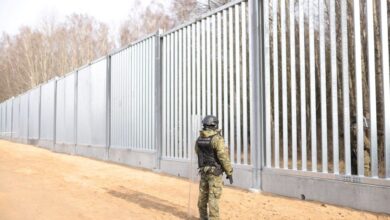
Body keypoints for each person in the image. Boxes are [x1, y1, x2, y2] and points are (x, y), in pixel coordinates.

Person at [195, 115, 233, 220]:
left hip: (203, 172)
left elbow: (198, 153)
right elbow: (223, 157)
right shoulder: (217, 139)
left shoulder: (199, 139)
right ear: (214, 125)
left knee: (202, 197)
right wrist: (229, 172)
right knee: (214, 198)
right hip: (215, 173)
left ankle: (203, 217)